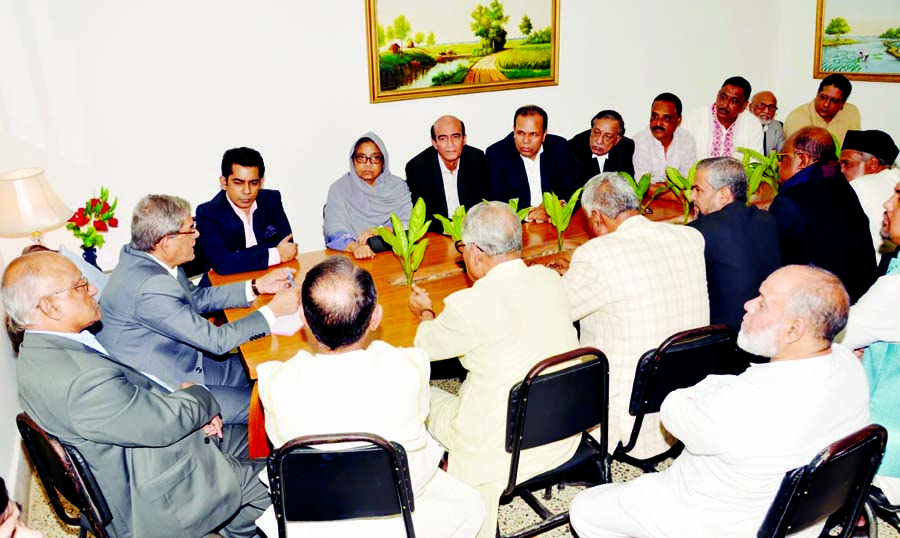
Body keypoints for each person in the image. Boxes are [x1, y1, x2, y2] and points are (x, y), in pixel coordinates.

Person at [569, 265, 870, 538]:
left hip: (708, 520)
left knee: (583, 509)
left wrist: (711, 386)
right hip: (799, 524)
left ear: (794, 329)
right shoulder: (849, 367)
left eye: (763, 302)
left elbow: (673, 409)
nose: (748, 305)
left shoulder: (742, 403)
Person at [3, 251, 271, 538]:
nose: (93, 289)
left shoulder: (37, 351)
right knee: (280, 481)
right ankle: (227, 527)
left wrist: (186, 405)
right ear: (50, 307)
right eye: (80, 286)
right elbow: (161, 426)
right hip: (156, 493)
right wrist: (199, 395)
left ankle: (227, 516)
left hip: (134, 451)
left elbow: (131, 406)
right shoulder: (80, 380)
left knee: (258, 433)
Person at [255, 256, 484, 538]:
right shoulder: (409, 367)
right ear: (375, 317)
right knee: (472, 505)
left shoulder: (276, 382)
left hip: (313, 519)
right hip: (397, 515)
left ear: (303, 318)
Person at [408, 201, 580, 538]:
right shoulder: (550, 279)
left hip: (501, 448)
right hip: (563, 428)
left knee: (420, 389)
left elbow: (424, 347)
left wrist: (426, 312)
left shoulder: (468, 304)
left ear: (474, 252)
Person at [98, 194, 300, 425]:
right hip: (164, 389)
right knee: (269, 403)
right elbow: (217, 341)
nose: (198, 234)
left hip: (179, 359)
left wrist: (256, 285)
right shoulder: (151, 287)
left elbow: (195, 297)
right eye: (191, 229)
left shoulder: (146, 258)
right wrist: (273, 310)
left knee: (268, 369)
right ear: (166, 242)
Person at [559, 172, 708, 456]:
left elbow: (559, 309)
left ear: (597, 217)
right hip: (681, 405)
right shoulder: (689, 237)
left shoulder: (597, 254)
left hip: (627, 419)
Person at [839, 180, 900, 504]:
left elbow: (829, 337)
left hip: (886, 453)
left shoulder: (895, 289)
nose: (888, 204)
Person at [770, 127, 876, 303]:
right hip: (860, 296)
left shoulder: (790, 199)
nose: (778, 164)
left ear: (802, 160)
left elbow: (769, 252)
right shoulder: (840, 183)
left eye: (782, 157)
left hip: (819, 305)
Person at [688, 157, 781, 329]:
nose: (691, 196)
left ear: (723, 194)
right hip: (767, 326)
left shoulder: (700, 231)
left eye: (698, 190)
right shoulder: (767, 219)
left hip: (722, 337)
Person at [195, 147, 295, 279]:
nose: (247, 191)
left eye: (253, 183)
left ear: (261, 182)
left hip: (270, 277)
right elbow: (222, 263)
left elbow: (287, 247)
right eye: (238, 183)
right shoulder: (208, 213)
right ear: (224, 182)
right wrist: (275, 254)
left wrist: (236, 256)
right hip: (225, 287)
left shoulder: (272, 200)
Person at [324, 132, 413, 259]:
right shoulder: (339, 189)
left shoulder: (398, 187)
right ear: (353, 160)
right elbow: (333, 231)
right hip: (353, 257)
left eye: (375, 158)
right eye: (361, 157)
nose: (368, 164)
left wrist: (380, 230)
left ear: (383, 162)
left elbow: (408, 223)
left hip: (394, 255)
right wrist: (356, 247)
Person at [485, 105, 581, 221]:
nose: (526, 141)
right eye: (520, 133)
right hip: (519, 226)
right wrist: (529, 215)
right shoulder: (497, 154)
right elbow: (497, 201)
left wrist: (555, 208)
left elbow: (572, 189)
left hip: (555, 222)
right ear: (514, 130)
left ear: (544, 134)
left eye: (533, 134)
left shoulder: (559, 147)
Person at [405, 115, 489, 234]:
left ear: (464, 139)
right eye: (443, 138)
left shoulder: (476, 159)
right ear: (434, 143)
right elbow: (423, 214)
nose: (450, 144)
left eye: (455, 137)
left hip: (473, 230)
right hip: (439, 233)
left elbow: (482, 202)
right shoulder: (418, 168)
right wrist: (449, 229)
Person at [839, 129, 900, 263]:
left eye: (846, 163)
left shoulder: (858, 186)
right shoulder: (897, 178)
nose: (841, 170)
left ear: (872, 164)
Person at [682, 76, 764, 159]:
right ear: (718, 94)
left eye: (734, 101)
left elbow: (755, 163)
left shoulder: (753, 125)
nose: (725, 104)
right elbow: (682, 156)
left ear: (744, 105)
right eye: (723, 97)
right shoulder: (694, 117)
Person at [633, 92, 697, 183]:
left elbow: (687, 182)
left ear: (678, 120)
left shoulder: (686, 140)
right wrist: (673, 192)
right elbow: (642, 186)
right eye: (654, 116)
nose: (658, 123)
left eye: (666, 118)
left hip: (678, 197)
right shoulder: (639, 142)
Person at [784, 74, 861, 145]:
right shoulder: (798, 117)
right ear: (817, 95)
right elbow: (800, 156)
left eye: (834, 100)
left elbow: (855, 148)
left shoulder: (851, 112)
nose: (826, 104)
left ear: (842, 104)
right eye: (823, 97)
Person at [568, 110, 635, 182]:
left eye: (608, 136)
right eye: (596, 132)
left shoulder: (625, 147)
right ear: (591, 129)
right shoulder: (574, 148)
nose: (599, 141)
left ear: (617, 139)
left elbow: (627, 184)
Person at [750, 90, 784, 156]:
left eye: (771, 107)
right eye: (761, 106)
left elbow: (782, 154)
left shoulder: (777, 127)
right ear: (751, 107)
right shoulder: (741, 126)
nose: (766, 111)